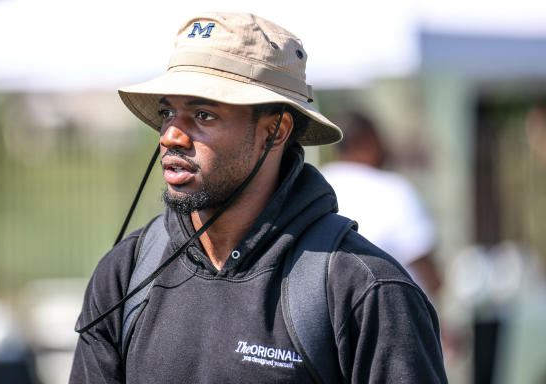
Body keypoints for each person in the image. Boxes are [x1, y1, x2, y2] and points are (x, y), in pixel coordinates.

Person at [70, 12, 447, 383]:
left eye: (203, 114)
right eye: (168, 111)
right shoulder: (126, 274)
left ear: (274, 132)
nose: (171, 136)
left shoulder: (364, 290)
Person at [320, 112, 442, 297]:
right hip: (392, 314)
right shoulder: (395, 190)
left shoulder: (319, 184)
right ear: (367, 142)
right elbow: (430, 273)